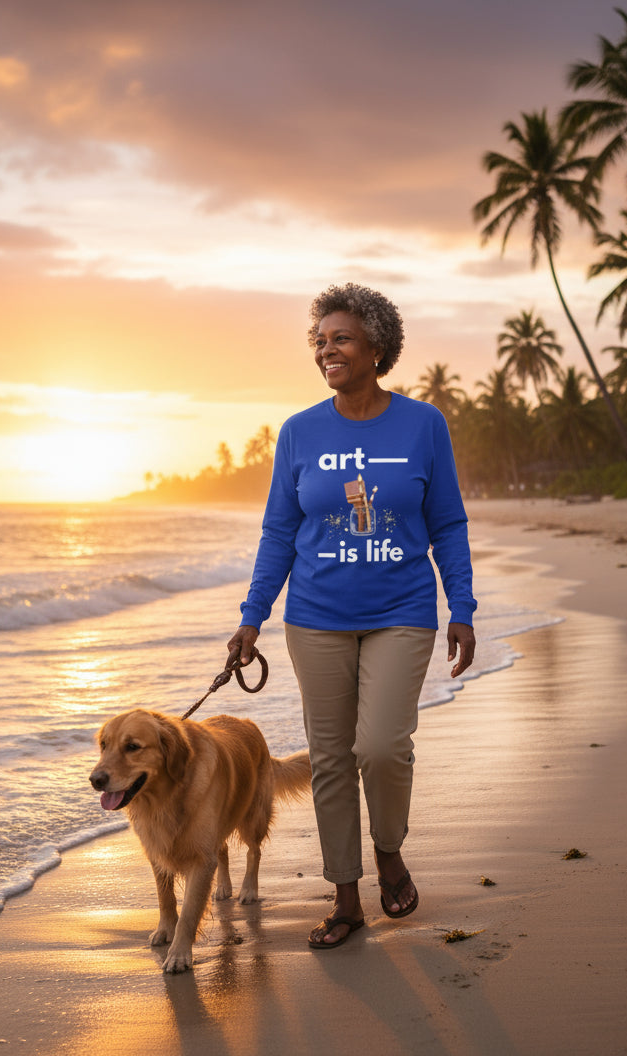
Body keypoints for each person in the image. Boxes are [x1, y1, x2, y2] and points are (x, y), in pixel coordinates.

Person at [227, 283, 476, 950]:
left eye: (339, 338)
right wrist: (252, 617)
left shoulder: (423, 425)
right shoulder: (300, 432)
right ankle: (345, 898)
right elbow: (279, 532)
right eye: (319, 340)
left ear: (376, 347)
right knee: (332, 760)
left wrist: (464, 606)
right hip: (314, 617)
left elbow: (447, 523)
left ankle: (387, 850)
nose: (325, 349)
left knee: (382, 746)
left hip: (402, 610)